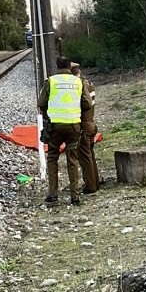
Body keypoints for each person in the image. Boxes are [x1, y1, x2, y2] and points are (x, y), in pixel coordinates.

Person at [37, 56, 92, 206]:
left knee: (52, 157)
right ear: (69, 66)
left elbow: (41, 103)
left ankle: (53, 195)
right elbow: (87, 104)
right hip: (73, 126)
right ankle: (75, 196)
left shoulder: (51, 81)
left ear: (57, 66)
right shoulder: (78, 82)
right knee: (72, 159)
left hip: (55, 126)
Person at [71, 64, 99, 194]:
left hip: (84, 124)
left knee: (84, 156)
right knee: (90, 154)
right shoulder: (90, 83)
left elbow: (83, 105)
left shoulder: (79, 86)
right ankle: (95, 181)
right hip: (92, 123)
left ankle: (90, 186)